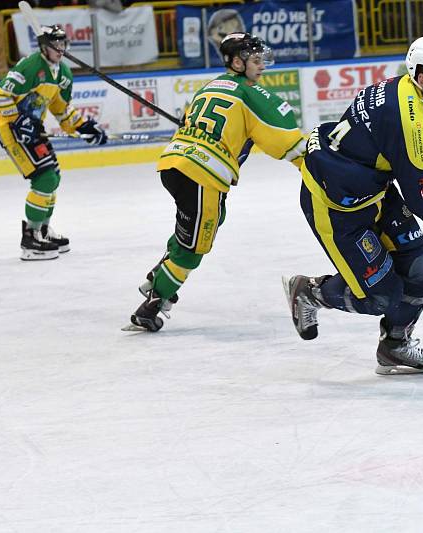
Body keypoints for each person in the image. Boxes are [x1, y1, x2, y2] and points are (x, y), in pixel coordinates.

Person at [282, 36, 423, 375]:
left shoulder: (406, 90)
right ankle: (311, 292)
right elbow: (422, 197)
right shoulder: (411, 120)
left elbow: (399, 155)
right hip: (335, 205)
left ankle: (395, 345)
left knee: (420, 264)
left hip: (371, 190)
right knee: (379, 297)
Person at [126, 32, 306, 332]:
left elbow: (189, 123)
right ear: (237, 62)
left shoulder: (208, 87)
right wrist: (312, 162)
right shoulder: (249, 92)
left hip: (174, 165)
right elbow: (283, 137)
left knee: (203, 222)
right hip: (202, 173)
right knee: (195, 246)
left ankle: (159, 274)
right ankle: (152, 305)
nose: (261, 65)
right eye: (256, 60)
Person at [0, 24, 108, 260]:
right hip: (12, 129)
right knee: (44, 177)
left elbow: (62, 111)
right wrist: (17, 120)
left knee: (53, 176)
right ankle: (30, 238)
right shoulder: (30, 66)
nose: (60, 49)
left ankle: (42, 229)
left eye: (63, 44)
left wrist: (84, 126)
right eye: (56, 44)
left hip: (33, 129)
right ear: (44, 47)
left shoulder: (64, 73)